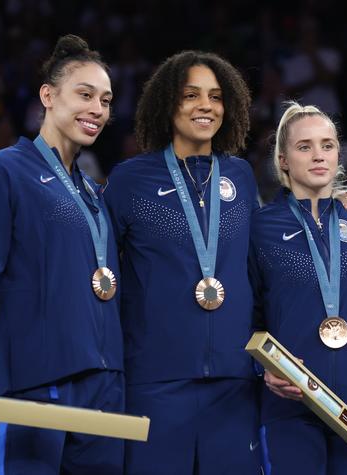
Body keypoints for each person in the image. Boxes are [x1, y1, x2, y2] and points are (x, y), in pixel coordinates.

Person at [0, 34, 124, 475]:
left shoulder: (94, 193)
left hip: (103, 388)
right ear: (48, 96)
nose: (97, 110)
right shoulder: (3, 172)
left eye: (105, 100)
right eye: (84, 95)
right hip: (35, 386)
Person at [104, 50, 262, 474]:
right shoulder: (130, 179)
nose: (204, 106)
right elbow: (95, 262)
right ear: (166, 103)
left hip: (233, 380)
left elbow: (262, 266)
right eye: (190, 95)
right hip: (155, 379)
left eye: (214, 96)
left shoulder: (241, 176)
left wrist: (336, 203)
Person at [249, 102, 347, 474]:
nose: (318, 155)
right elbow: (249, 313)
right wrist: (261, 368)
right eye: (304, 146)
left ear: (338, 154)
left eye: (327, 145)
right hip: (293, 401)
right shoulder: (258, 227)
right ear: (282, 159)